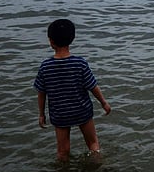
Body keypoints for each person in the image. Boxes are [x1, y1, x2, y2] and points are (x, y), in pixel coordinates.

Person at [34, 19, 112, 162]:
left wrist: (41, 114)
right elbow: (92, 86)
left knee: (63, 151)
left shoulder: (45, 66)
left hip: (60, 113)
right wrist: (103, 103)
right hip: (82, 110)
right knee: (93, 143)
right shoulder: (80, 63)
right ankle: (97, 168)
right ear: (72, 39)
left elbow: (41, 92)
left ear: (50, 41)